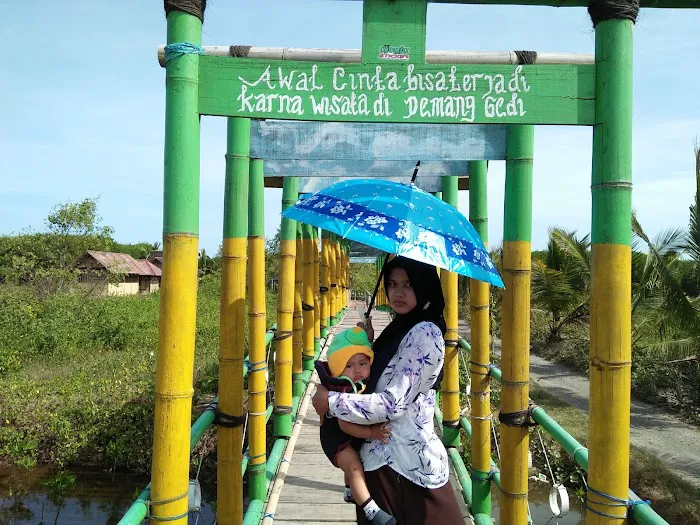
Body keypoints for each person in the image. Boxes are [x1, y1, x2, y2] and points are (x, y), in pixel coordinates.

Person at [312, 256, 466, 525]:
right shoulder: (401, 327)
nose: (398, 292)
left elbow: (392, 404)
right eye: (392, 284)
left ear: (424, 286)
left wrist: (331, 401)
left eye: (408, 284)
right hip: (384, 461)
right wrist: (367, 345)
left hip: (408, 465)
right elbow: (381, 373)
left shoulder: (425, 333)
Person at [315, 326, 396, 525]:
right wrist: (372, 432)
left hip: (349, 435)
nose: (357, 370)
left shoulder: (357, 381)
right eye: (349, 366)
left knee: (355, 459)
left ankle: (350, 491)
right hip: (336, 439)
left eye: (362, 363)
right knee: (354, 466)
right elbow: (344, 424)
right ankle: (371, 510)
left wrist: (367, 337)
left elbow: (360, 350)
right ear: (339, 369)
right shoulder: (343, 389)